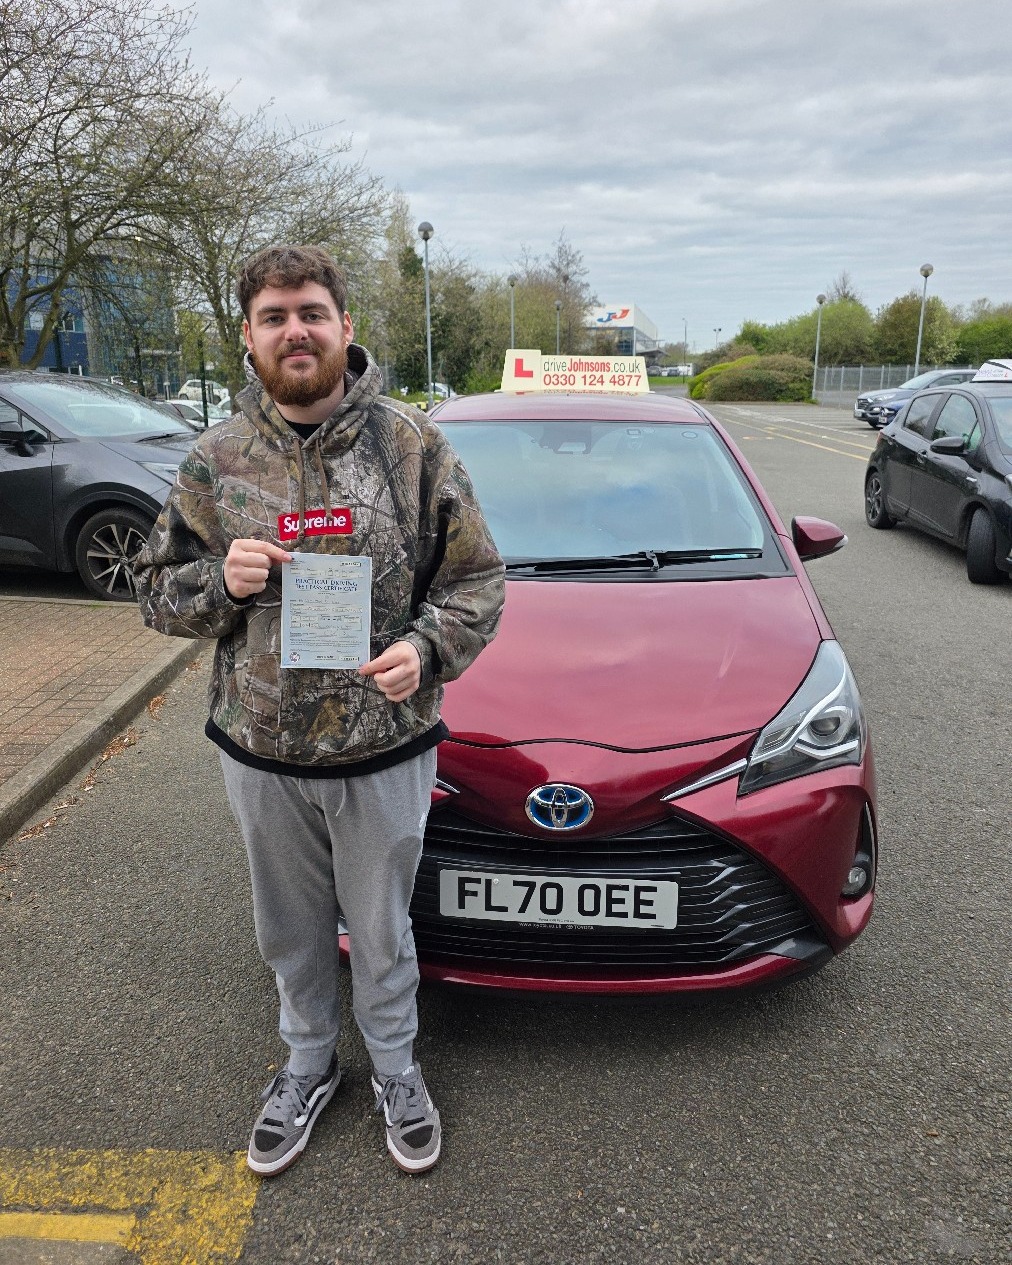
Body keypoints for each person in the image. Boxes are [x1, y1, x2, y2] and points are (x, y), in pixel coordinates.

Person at [135, 244, 505, 1177]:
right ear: (249, 338)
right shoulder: (215, 460)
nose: (294, 329)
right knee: (288, 927)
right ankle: (306, 1065)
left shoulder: (414, 446)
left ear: (345, 326)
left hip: (385, 747)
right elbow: (152, 591)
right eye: (273, 315)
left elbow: (478, 581)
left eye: (310, 311)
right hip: (261, 749)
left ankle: (394, 1066)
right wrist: (218, 579)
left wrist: (424, 651)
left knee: (380, 927)